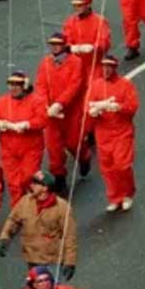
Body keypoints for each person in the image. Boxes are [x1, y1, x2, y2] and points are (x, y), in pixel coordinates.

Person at [36, 30, 91, 189]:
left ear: (64, 45)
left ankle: (84, 156)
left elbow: (74, 86)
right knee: (53, 147)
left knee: (73, 142)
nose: (54, 47)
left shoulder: (76, 62)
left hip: (71, 111)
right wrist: (45, 104)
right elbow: (41, 85)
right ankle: (59, 176)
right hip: (51, 113)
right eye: (52, 44)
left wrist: (59, 104)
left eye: (57, 44)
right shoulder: (46, 63)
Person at [86, 50, 139, 211]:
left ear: (115, 68)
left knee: (122, 165)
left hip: (122, 130)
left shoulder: (125, 85)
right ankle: (115, 197)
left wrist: (119, 107)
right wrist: (93, 112)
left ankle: (128, 193)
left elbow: (132, 107)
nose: (106, 70)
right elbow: (88, 105)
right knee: (107, 166)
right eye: (104, 67)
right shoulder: (96, 85)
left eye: (109, 67)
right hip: (103, 132)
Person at [0, 170, 78, 274]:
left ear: (45, 188)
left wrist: (69, 262)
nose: (31, 185)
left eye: (35, 183)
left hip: (52, 261)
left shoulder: (62, 208)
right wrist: (5, 238)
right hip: (32, 259)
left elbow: (70, 236)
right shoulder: (25, 201)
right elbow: (13, 220)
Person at [0, 70, 47, 204]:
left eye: (17, 84)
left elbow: (43, 120)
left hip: (31, 148)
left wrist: (27, 124)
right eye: (11, 84)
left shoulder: (36, 101)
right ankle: (19, 210)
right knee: (14, 183)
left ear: (24, 86)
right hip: (8, 149)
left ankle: (34, 203)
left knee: (28, 178)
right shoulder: (2, 102)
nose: (13, 87)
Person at [61, 0, 112, 67]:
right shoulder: (70, 22)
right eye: (75, 5)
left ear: (88, 5)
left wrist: (93, 47)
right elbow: (65, 39)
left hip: (95, 64)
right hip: (75, 65)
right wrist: (70, 47)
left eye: (79, 5)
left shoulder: (100, 21)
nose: (76, 8)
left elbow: (105, 42)